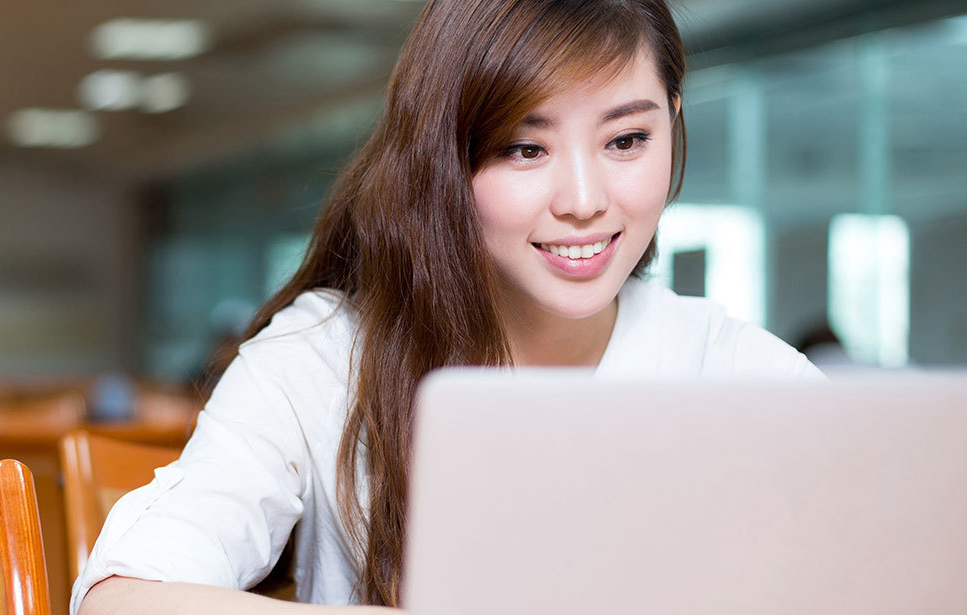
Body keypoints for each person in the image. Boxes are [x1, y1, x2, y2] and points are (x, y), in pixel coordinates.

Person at [75, 0, 822, 613]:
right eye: (525, 149)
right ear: (443, 158)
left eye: (627, 139)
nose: (586, 202)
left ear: (673, 119)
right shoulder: (323, 360)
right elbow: (122, 597)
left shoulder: (726, 368)